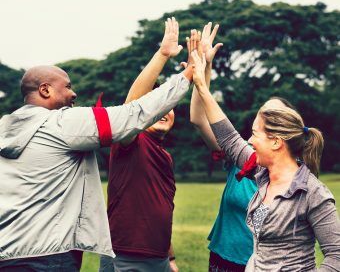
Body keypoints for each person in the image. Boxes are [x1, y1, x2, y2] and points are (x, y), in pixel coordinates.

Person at [0, 18, 194, 271]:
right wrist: (188, 73)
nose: (74, 94)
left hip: (8, 252)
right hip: (49, 255)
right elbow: (132, 114)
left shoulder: (6, 126)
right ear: (45, 90)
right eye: (67, 87)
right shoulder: (62, 122)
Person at [189, 29, 340, 271]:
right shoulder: (261, 175)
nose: (249, 140)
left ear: (276, 141)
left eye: (255, 134)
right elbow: (228, 137)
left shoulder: (313, 194)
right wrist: (201, 82)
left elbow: (336, 256)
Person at [190, 24, 296, 272]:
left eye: (275, 117)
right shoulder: (240, 153)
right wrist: (204, 66)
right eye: (264, 114)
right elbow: (198, 118)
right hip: (223, 258)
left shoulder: (294, 176)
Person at [99, 19, 186, 272]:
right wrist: (162, 55)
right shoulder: (131, 140)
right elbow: (131, 108)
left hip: (158, 257)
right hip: (125, 257)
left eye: (167, 108)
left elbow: (161, 208)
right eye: (153, 107)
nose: (162, 113)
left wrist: (169, 257)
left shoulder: (164, 156)